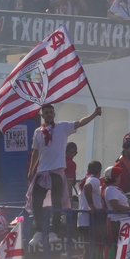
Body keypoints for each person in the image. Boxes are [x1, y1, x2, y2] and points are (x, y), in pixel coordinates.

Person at [27, 103, 101, 247]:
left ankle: (54, 231)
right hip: (42, 171)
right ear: (42, 115)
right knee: (36, 201)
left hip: (56, 170)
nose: (49, 114)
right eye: (46, 112)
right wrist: (31, 170)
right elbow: (35, 152)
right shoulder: (38, 132)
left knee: (57, 201)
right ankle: (39, 231)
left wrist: (94, 114)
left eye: (50, 112)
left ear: (54, 114)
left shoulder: (62, 127)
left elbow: (80, 123)